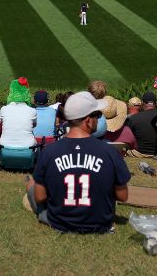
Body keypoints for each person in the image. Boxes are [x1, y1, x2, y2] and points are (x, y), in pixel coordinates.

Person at [26, 91, 131, 233]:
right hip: (101, 222)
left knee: (33, 185)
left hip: (59, 221)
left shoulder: (49, 152)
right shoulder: (110, 152)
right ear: (88, 120)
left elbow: (40, 196)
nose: (98, 119)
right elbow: (123, 196)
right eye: (97, 115)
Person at [0, 78, 37, 149]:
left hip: (5, 149)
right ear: (26, 92)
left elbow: (1, 123)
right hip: (28, 149)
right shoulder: (32, 111)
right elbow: (34, 125)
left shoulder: (4, 109)